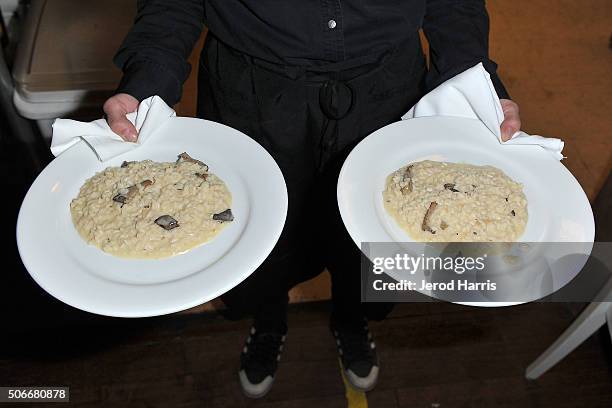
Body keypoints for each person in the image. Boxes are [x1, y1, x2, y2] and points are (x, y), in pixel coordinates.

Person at [104, 0, 522, 398]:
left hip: (386, 86)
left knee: (372, 236)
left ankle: (352, 317)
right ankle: (268, 319)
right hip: (252, 89)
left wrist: (475, 87)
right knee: (261, 233)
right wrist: (148, 80)